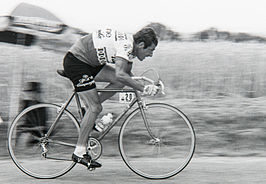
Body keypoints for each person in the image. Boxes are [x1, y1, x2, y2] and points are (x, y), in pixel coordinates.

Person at [63, 27, 159, 169]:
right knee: (96, 107)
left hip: (90, 63)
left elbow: (126, 76)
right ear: (140, 45)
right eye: (150, 50)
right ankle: (79, 152)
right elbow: (121, 73)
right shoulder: (126, 45)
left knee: (118, 83)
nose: (150, 55)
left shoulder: (130, 48)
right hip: (77, 62)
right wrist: (143, 88)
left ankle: (87, 109)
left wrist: (146, 84)